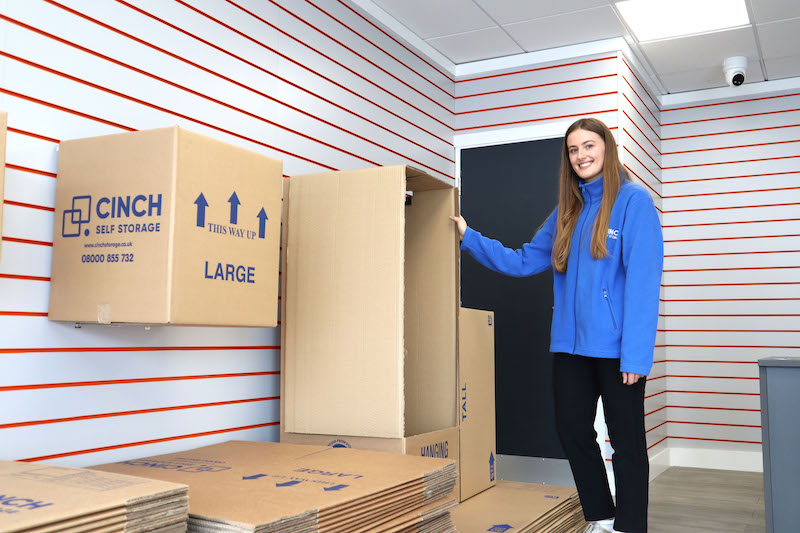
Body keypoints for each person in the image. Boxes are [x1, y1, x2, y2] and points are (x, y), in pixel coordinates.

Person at [450, 117, 663, 533]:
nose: (581, 155)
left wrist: (637, 353)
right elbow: (523, 259)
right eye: (573, 150)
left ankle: (630, 526)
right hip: (570, 346)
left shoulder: (634, 202)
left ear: (607, 148)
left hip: (619, 349)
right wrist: (468, 236)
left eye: (589, 145)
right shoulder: (568, 210)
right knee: (571, 430)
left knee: (628, 445)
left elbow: (643, 283)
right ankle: (601, 516)